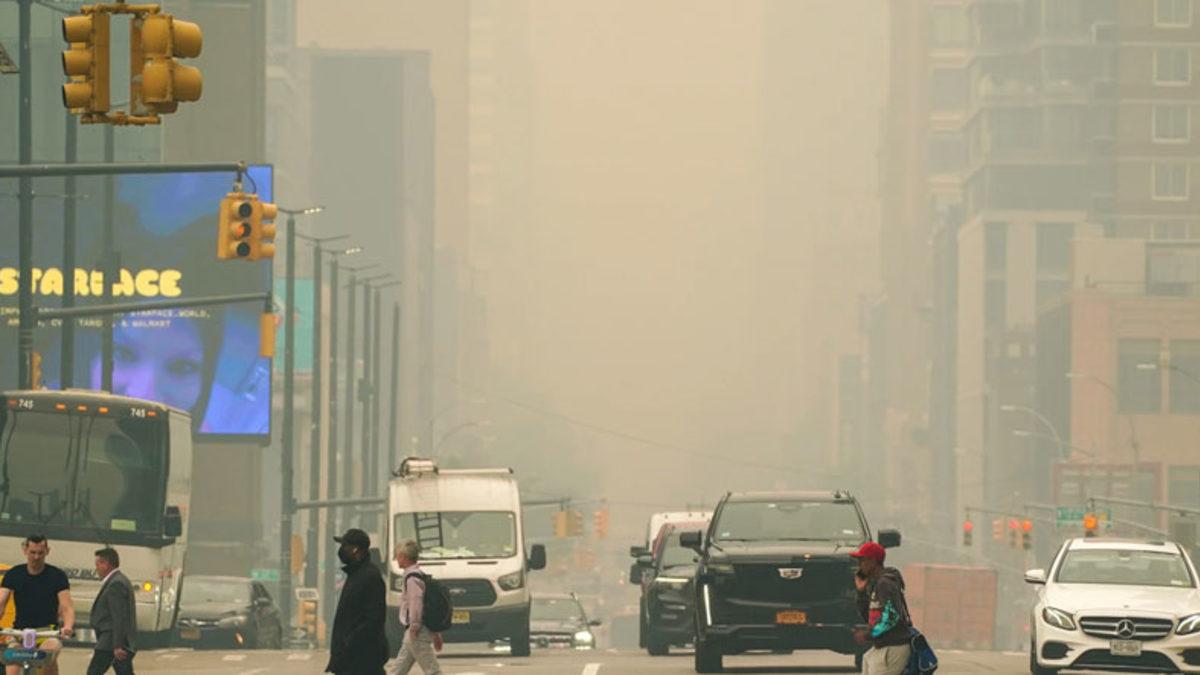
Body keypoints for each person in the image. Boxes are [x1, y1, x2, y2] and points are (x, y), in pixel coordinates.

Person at [0, 534, 75, 675]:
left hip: (47, 632)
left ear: (47, 551)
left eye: (40, 553)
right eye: (32, 553)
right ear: (25, 550)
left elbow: (66, 606)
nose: (36, 557)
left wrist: (68, 626)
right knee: (12, 667)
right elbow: (1, 602)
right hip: (19, 633)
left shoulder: (57, 576)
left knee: (46, 657)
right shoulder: (14, 574)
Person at [326, 529, 389, 675]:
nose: (341, 551)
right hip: (350, 660)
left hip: (362, 660)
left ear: (355, 549)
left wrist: (349, 642)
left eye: (344, 546)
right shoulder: (356, 574)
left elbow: (375, 619)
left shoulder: (370, 577)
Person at [852, 541, 911, 675]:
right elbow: (869, 617)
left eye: (862, 560)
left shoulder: (885, 584)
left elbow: (891, 617)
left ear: (873, 562)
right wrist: (861, 592)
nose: (859, 565)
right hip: (882, 646)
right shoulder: (876, 584)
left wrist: (867, 634)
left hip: (892, 647)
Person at [385, 540, 443, 675]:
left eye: (398, 555)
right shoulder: (420, 574)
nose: (396, 558)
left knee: (432, 670)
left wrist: (414, 626)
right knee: (398, 669)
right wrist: (435, 632)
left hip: (417, 631)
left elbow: (415, 604)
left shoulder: (412, 578)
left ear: (404, 557)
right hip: (415, 631)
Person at [87, 547, 136, 675]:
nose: (96, 568)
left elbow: (118, 616)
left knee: (93, 672)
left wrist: (117, 645)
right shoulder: (118, 580)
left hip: (109, 641)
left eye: (97, 564)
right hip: (114, 641)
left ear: (106, 564)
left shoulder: (116, 584)